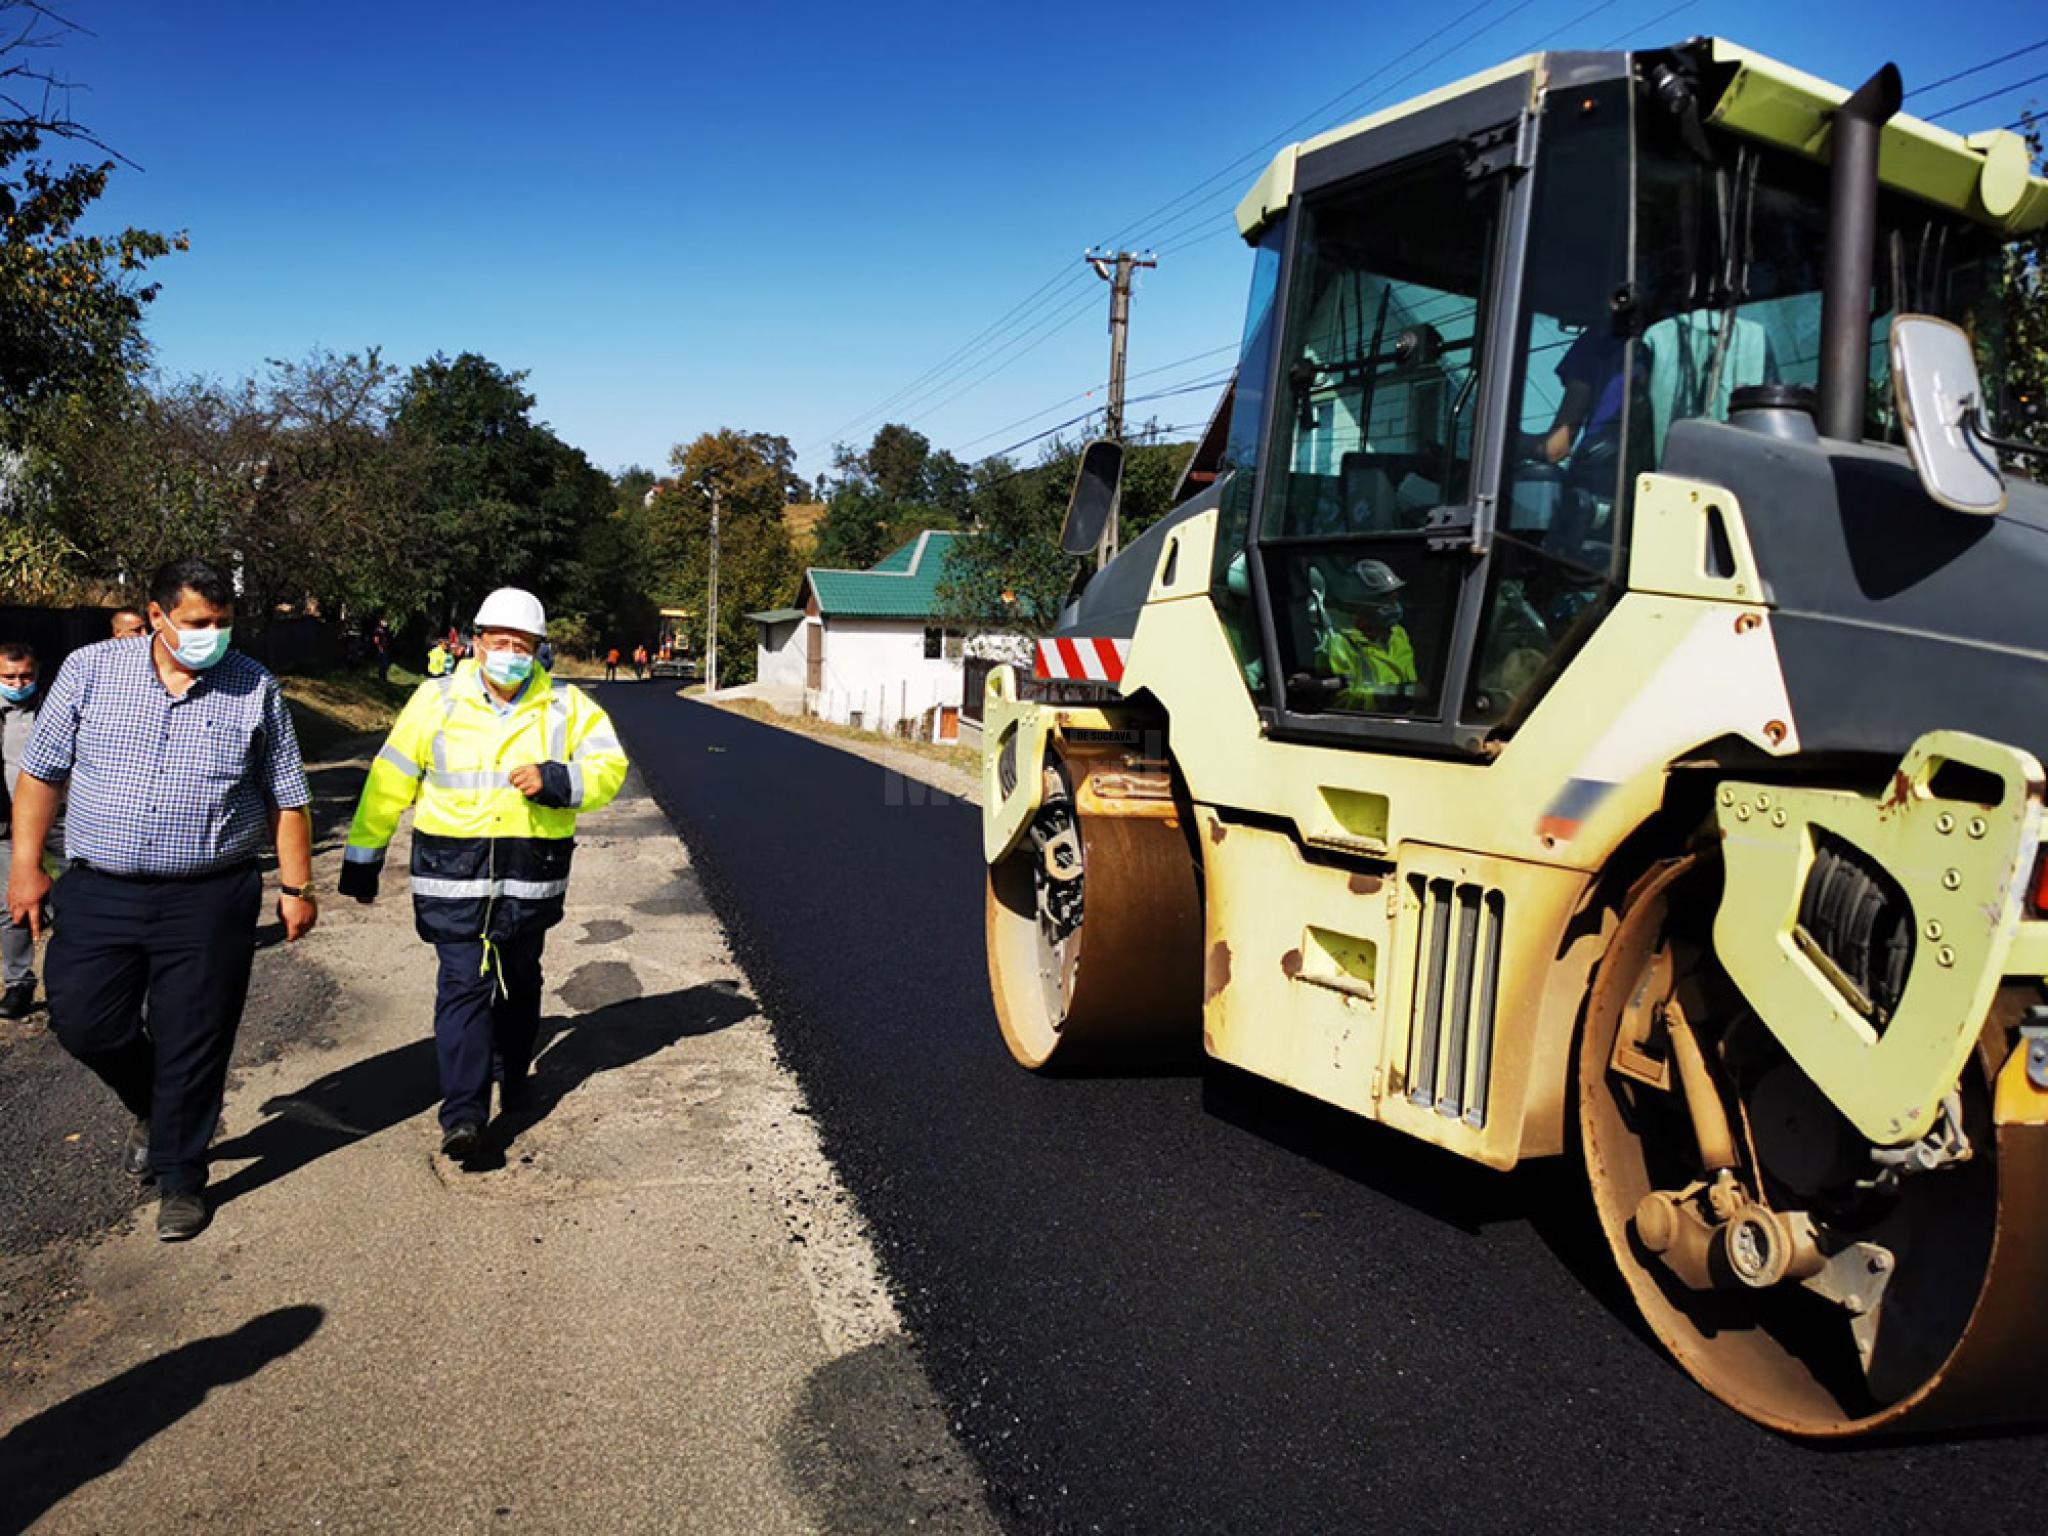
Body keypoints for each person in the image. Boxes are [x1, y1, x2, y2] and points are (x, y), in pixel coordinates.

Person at [6, 558, 317, 1241]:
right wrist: (25, 868)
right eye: (197, 622)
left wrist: (297, 887)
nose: (213, 636)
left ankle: (180, 1175)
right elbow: (40, 775)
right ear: (156, 616)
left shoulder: (253, 687)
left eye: (223, 623)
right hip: (99, 888)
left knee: (193, 1038)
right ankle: (155, 1102)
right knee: (85, 1021)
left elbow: (287, 798)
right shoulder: (91, 671)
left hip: (208, 898)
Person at [338, 588, 628, 1163]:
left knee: (519, 983)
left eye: (523, 645)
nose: (511, 654)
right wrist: (363, 855)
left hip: (529, 874)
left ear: (540, 650)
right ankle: (464, 1113)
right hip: (454, 873)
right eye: (500, 642)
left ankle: (514, 1074)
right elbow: (391, 776)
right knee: (462, 986)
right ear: (476, 643)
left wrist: (558, 780)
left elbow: (609, 769)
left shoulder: (567, 707)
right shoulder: (437, 700)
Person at [1, 642, 48, 1020]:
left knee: (71, 900)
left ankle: (73, 979)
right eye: (9, 677)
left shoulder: (53, 711)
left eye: (25, 676)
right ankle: (18, 981)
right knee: (11, 906)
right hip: (7, 824)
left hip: (59, 821)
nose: (18, 683)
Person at [1314, 558, 1418, 711]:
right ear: (1361, 605)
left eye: (1395, 598)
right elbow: (1339, 700)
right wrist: (1387, 698)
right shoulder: (1338, 644)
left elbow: (1411, 684)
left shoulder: (1398, 635)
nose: (1394, 607)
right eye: (1384, 600)